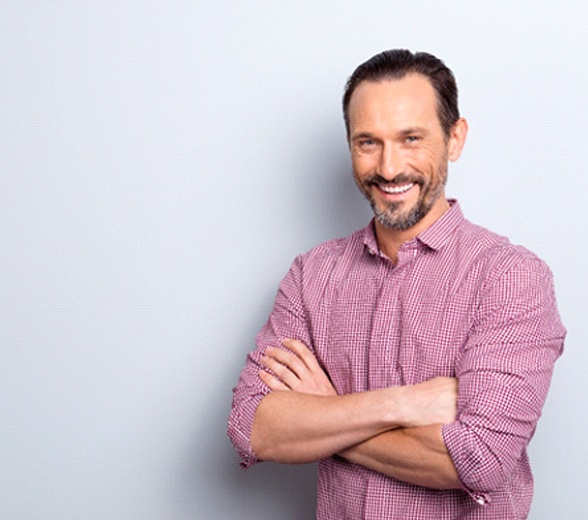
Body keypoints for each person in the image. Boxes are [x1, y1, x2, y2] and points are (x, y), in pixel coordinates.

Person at [227, 49, 566, 519]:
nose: (388, 168)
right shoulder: (311, 276)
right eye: (368, 142)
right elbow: (253, 427)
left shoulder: (510, 277)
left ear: (454, 138)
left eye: (411, 139)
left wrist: (329, 413)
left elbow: (482, 459)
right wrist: (404, 404)